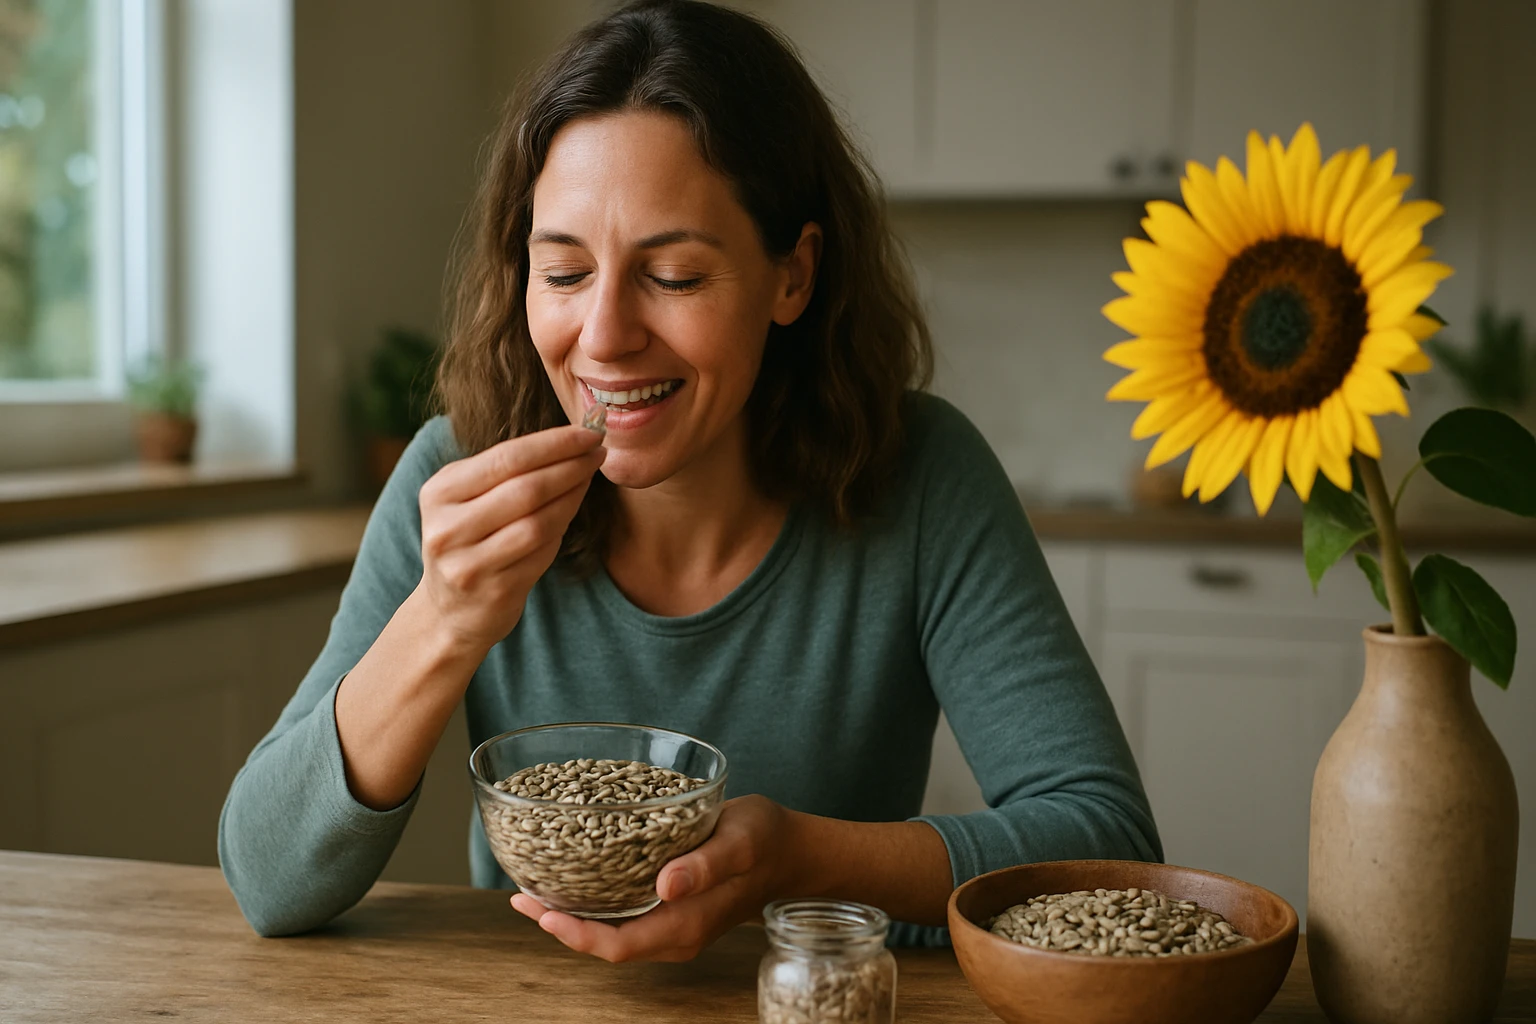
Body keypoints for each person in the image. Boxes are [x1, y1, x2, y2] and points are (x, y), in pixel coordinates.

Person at [218, 0, 1160, 959]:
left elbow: (1107, 844)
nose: (606, 337)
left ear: (793, 276)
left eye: (672, 275)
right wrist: (442, 618)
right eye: (565, 272)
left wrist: (797, 857)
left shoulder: (920, 476)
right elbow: (267, 880)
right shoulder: (456, 478)